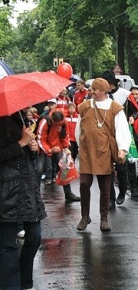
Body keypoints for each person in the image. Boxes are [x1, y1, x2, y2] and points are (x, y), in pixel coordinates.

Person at [75, 78, 131, 231]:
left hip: (105, 152)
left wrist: (122, 149)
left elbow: (122, 130)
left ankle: (104, 218)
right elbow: (78, 130)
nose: (91, 91)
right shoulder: (84, 107)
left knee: (105, 187)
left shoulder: (115, 108)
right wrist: (82, 147)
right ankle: (85, 216)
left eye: (94, 89)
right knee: (84, 184)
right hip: (87, 152)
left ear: (103, 91)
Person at [0, 111, 47, 290]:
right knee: (8, 244)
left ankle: (24, 282)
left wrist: (32, 148)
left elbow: (27, 157)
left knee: (35, 237)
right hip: (7, 189)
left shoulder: (20, 116)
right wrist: (22, 143)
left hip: (28, 187)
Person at [36, 110, 81, 201]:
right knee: (39, 169)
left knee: (64, 168)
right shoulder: (44, 122)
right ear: (52, 120)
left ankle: (68, 193)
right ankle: (35, 194)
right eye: (57, 124)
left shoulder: (64, 122)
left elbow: (65, 136)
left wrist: (66, 147)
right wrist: (49, 150)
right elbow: (40, 139)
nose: (58, 126)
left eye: (60, 124)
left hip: (57, 147)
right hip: (44, 148)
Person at [101, 69, 130, 208]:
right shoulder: (100, 98)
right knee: (108, 171)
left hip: (120, 135)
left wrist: (132, 117)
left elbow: (135, 109)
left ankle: (123, 192)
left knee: (121, 169)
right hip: (106, 138)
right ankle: (111, 198)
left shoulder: (124, 94)